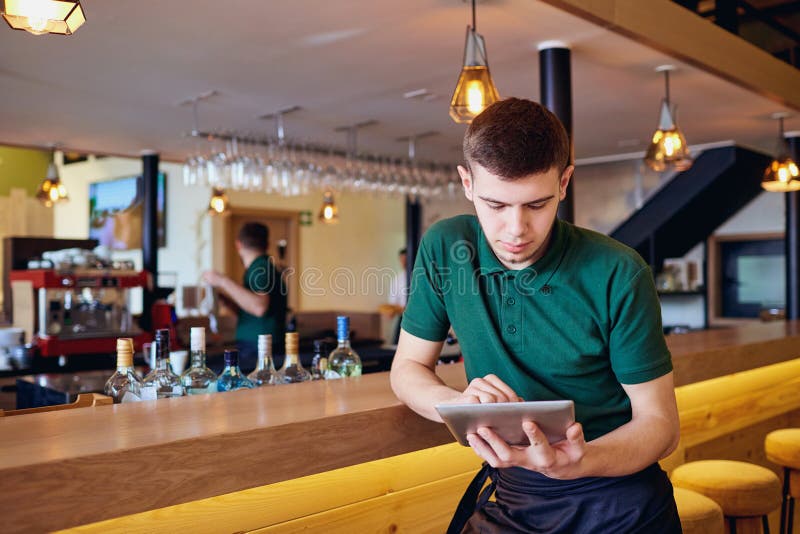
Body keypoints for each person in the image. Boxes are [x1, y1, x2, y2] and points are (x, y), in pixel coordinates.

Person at [389, 98, 681, 533]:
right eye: (496, 205)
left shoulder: (619, 272)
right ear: (467, 183)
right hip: (513, 496)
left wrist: (577, 461)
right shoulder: (446, 247)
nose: (516, 229)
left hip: (617, 498)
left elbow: (659, 425)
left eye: (536, 205)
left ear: (564, 183)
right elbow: (408, 367)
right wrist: (456, 406)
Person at [203, 222, 287, 371]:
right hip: (258, 344)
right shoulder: (261, 267)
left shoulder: (260, 267)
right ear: (267, 244)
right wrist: (228, 302)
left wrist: (222, 280)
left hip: (259, 346)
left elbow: (259, 307)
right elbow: (252, 310)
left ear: (238, 244)